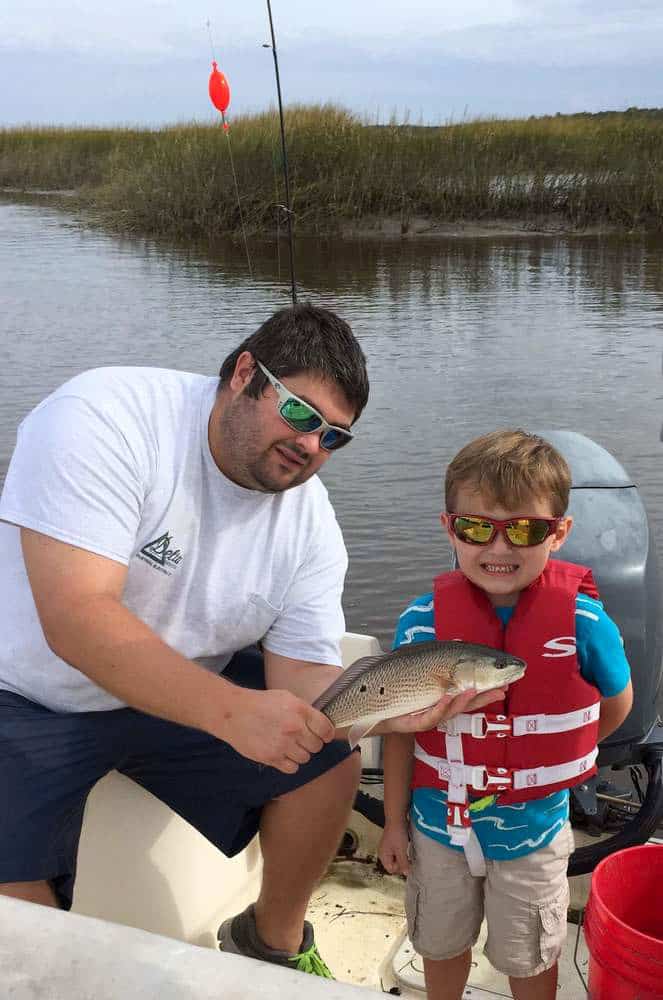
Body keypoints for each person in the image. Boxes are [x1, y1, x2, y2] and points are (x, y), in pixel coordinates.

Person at [0, 303, 497, 978]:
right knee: (20, 918)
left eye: (334, 437)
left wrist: (377, 717)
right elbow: (76, 617)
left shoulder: (310, 524)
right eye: (299, 413)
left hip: (177, 685)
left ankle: (271, 942)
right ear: (243, 375)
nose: (311, 444)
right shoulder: (101, 417)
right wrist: (232, 712)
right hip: (25, 692)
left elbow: (304, 682)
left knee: (325, 770)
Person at [378, 429, 633, 1000]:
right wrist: (392, 822)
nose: (498, 549)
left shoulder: (585, 623)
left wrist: (555, 756)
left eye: (524, 529)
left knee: (529, 954)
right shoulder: (419, 624)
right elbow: (399, 737)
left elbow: (616, 708)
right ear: (450, 528)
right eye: (475, 528)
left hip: (534, 835)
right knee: (439, 946)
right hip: (435, 829)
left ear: (559, 533)